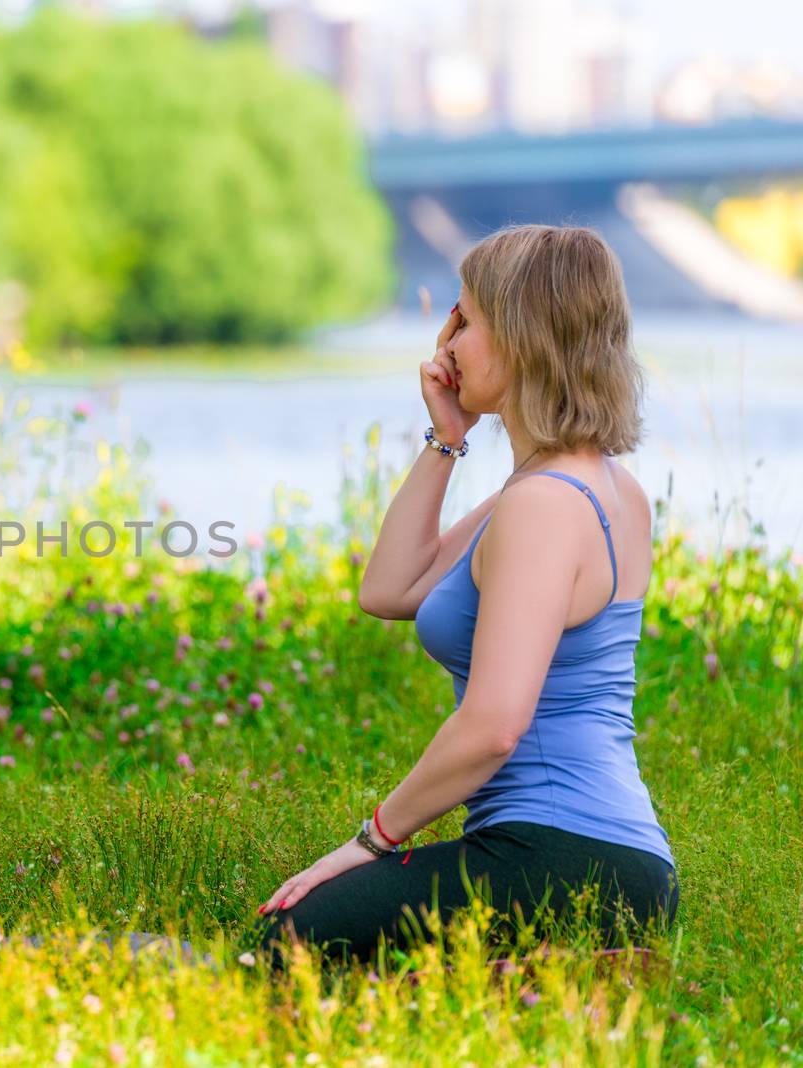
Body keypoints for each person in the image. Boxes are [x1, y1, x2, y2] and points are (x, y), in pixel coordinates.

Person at [252, 225, 678, 964]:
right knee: (322, 936)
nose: (445, 340)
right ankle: (526, 985)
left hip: (562, 856)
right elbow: (391, 589)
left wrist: (368, 843)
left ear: (521, 338)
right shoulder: (583, 485)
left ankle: (528, 985)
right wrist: (447, 436)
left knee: (292, 938)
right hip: (612, 860)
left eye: (466, 319)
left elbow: (493, 726)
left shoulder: (542, 505)